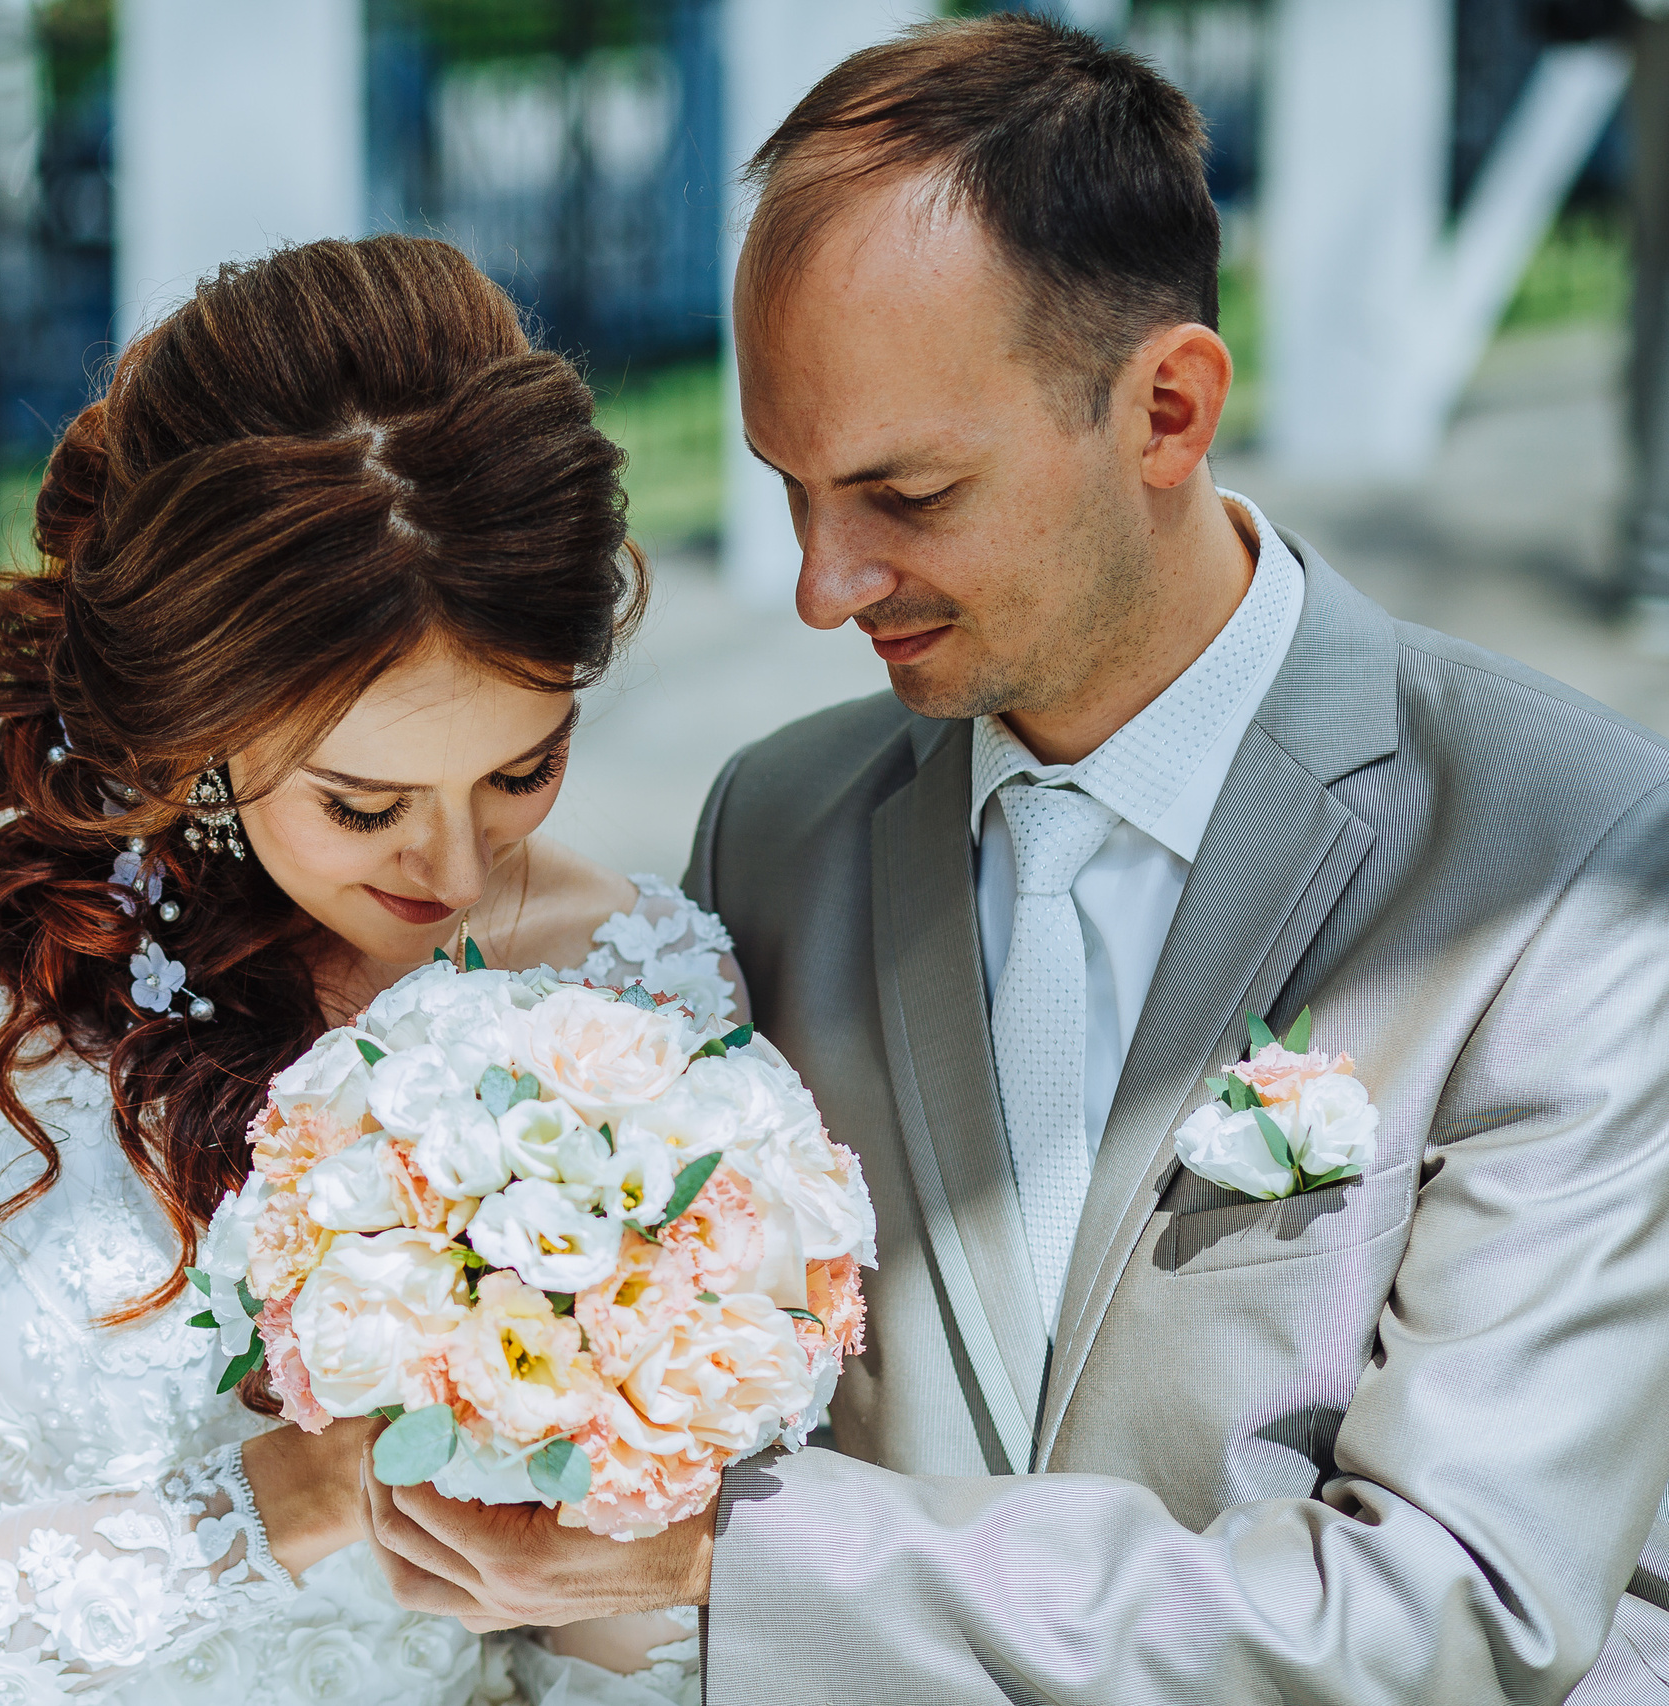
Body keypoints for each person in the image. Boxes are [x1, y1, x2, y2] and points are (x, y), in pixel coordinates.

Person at [360, 18, 1669, 1704]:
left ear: (1170, 409)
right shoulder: (777, 829)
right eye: (789, 489)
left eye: (904, 492)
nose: (827, 586)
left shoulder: (1568, 864)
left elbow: (1455, 1606)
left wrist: (737, 1554)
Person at [0, 234, 731, 1706]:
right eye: (361, 805)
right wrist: (276, 1501)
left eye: (523, 768)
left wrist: (623, 1506)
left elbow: (647, 1656)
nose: (450, 867)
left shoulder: (640, 990)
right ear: (205, 732)